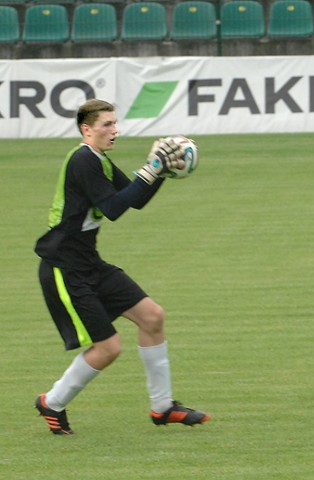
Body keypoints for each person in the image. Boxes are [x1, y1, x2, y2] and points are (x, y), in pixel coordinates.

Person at [34, 99, 211, 435]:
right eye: (106, 125)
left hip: (89, 263)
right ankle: (52, 402)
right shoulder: (82, 160)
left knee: (152, 317)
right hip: (64, 268)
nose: (114, 130)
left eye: (115, 124)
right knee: (109, 347)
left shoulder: (98, 160)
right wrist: (152, 168)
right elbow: (113, 208)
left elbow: (135, 198)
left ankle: (162, 407)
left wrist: (158, 171)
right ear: (87, 129)